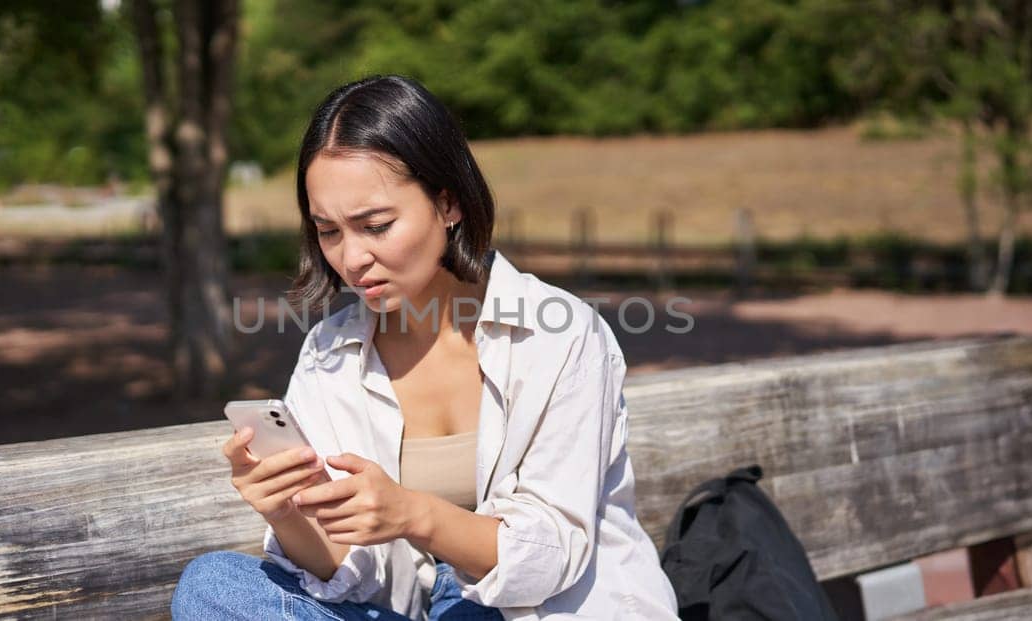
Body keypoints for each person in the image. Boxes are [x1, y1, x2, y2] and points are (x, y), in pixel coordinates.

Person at [173, 75, 678, 620]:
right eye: (328, 231)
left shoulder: (557, 333)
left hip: (547, 609)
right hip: (419, 610)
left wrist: (415, 515)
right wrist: (289, 514)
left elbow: (552, 560)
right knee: (213, 585)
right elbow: (349, 576)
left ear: (449, 203)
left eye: (376, 225)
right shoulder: (330, 352)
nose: (351, 259)